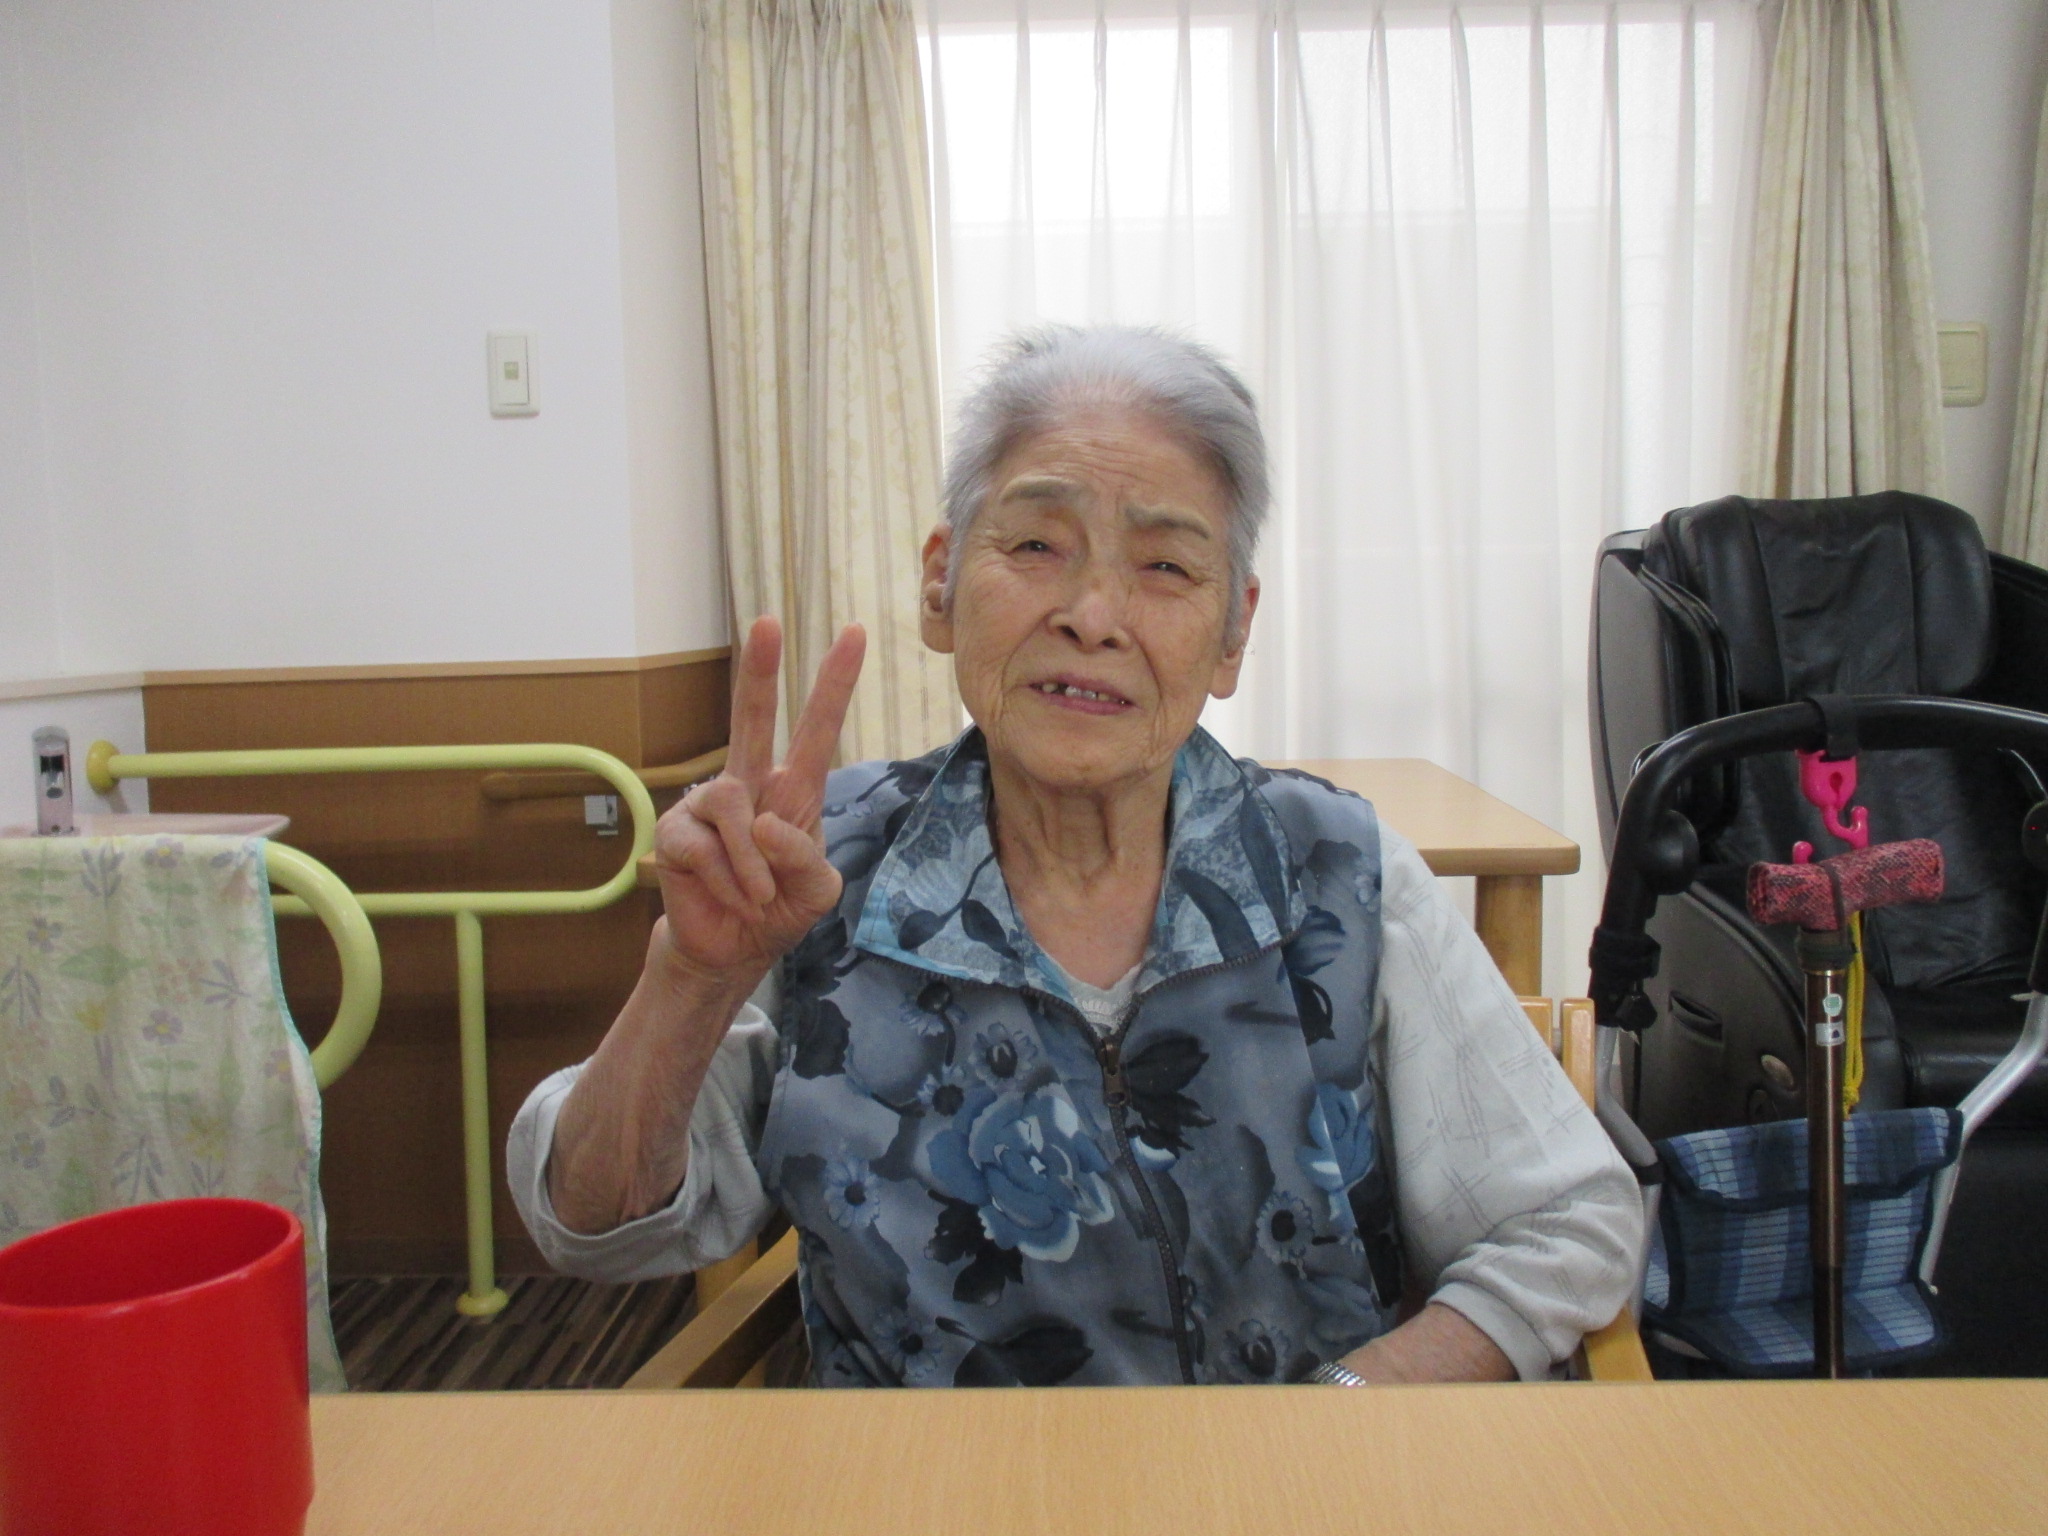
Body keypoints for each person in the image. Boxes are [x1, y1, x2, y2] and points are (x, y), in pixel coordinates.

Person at [509, 325, 1641, 1387]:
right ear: (940, 581)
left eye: (1165, 567)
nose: (1093, 614)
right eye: (1038, 545)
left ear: (1234, 631)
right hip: (924, 1495)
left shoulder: (1338, 872)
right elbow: (591, 1223)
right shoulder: (810, 872)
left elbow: (1566, 1218)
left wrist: (1350, 1407)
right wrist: (690, 980)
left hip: (1284, 1493)